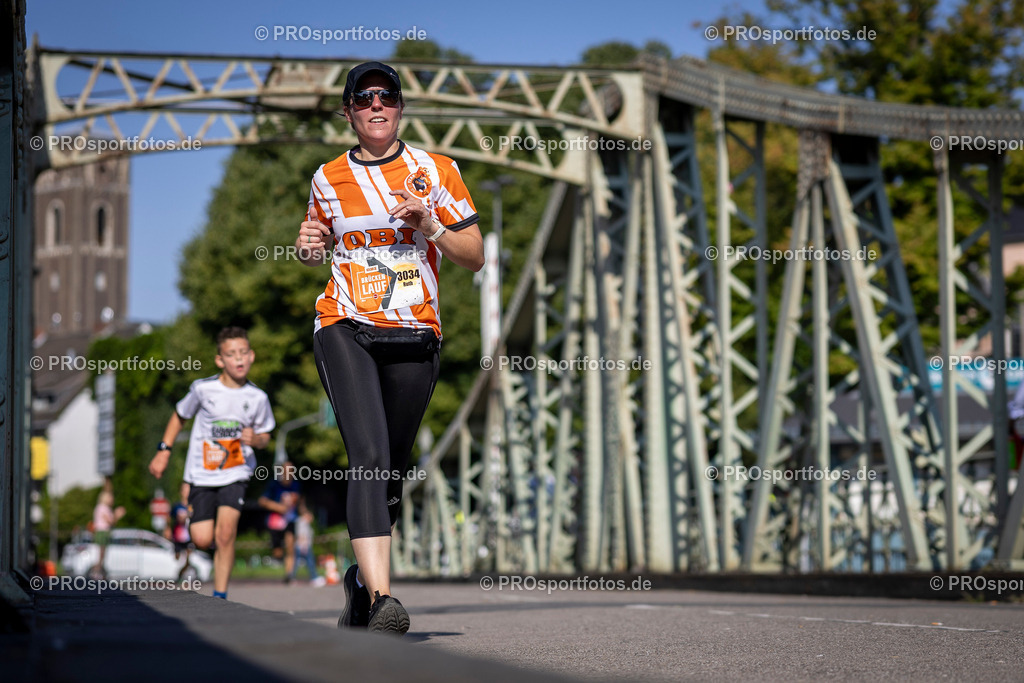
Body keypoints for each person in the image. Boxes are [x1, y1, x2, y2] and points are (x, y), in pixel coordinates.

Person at [297, 61, 484, 634]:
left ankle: (357, 584)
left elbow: (474, 255)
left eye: (387, 97)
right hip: (345, 323)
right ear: (348, 112)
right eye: (365, 99)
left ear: (400, 108)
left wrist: (430, 225)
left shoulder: (438, 169)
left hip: (414, 332)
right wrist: (306, 247)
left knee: (392, 474)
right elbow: (315, 247)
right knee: (369, 458)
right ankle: (383, 602)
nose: (377, 106)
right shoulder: (327, 177)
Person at [149, 326, 276, 599]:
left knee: (226, 533)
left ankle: (220, 595)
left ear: (252, 356)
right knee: (203, 538)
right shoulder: (203, 389)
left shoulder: (258, 398)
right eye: (231, 354)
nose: (239, 359)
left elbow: (266, 436)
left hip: (237, 471)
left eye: (243, 353)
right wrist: (164, 450)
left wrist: (257, 439)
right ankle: (195, 513)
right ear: (220, 360)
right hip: (202, 474)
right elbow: (179, 415)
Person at [257, 461, 301, 582]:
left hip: (290, 520)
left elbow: (300, 501)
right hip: (275, 522)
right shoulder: (274, 484)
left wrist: (305, 512)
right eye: (286, 471)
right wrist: (277, 507)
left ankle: (289, 575)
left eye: (291, 471)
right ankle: (278, 555)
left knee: (290, 546)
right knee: (278, 552)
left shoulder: (296, 485)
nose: (288, 474)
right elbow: (262, 501)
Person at [89, 488, 125, 578]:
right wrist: (117, 514)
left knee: (102, 555)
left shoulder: (102, 508)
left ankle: (98, 572)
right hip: (102, 532)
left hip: (103, 532)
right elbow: (110, 521)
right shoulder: (102, 507)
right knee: (101, 554)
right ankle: (96, 573)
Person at [293, 507, 326, 587]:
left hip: (301, 546)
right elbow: (301, 535)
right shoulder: (302, 523)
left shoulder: (302, 522)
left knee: (298, 563)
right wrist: (303, 546)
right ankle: (314, 577)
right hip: (303, 546)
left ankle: (291, 578)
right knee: (310, 562)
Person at [170, 482, 194, 581]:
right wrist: (167, 529)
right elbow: (170, 518)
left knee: (188, 558)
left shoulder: (192, 506)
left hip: (189, 536)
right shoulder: (177, 506)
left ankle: (182, 573)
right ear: (181, 492)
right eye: (185, 489)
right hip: (178, 536)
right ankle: (176, 574)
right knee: (177, 558)